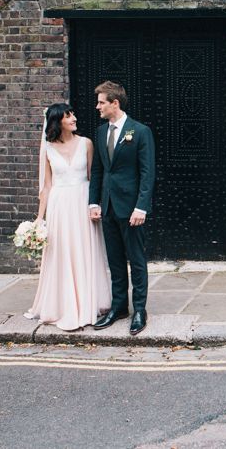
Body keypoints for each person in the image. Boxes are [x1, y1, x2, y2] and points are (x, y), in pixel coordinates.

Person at [25, 103, 111, 330]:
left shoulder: (86, 144)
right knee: (63, 253)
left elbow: (94, 177)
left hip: (82, 202)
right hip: (60, 206)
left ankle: (88, 302)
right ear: (57, 122)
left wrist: (96, 204)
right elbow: (46, 186)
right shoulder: (48, 149)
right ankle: (64, 305)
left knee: (84, 250)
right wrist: (39, 219)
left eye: (73, 113)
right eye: (68, 115)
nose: (74, 118)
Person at [89, 82, 155, 335]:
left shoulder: (139, 131)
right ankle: (119, 308)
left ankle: (140, 310)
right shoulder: (100, 131)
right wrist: (94, 202)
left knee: (136, 261)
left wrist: (142, 207)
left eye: (101, 102)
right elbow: (98, 169)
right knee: (115, 261)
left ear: (114, 103)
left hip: (131, 209)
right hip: (107, 207)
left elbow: (148, 172)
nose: (98, 107)